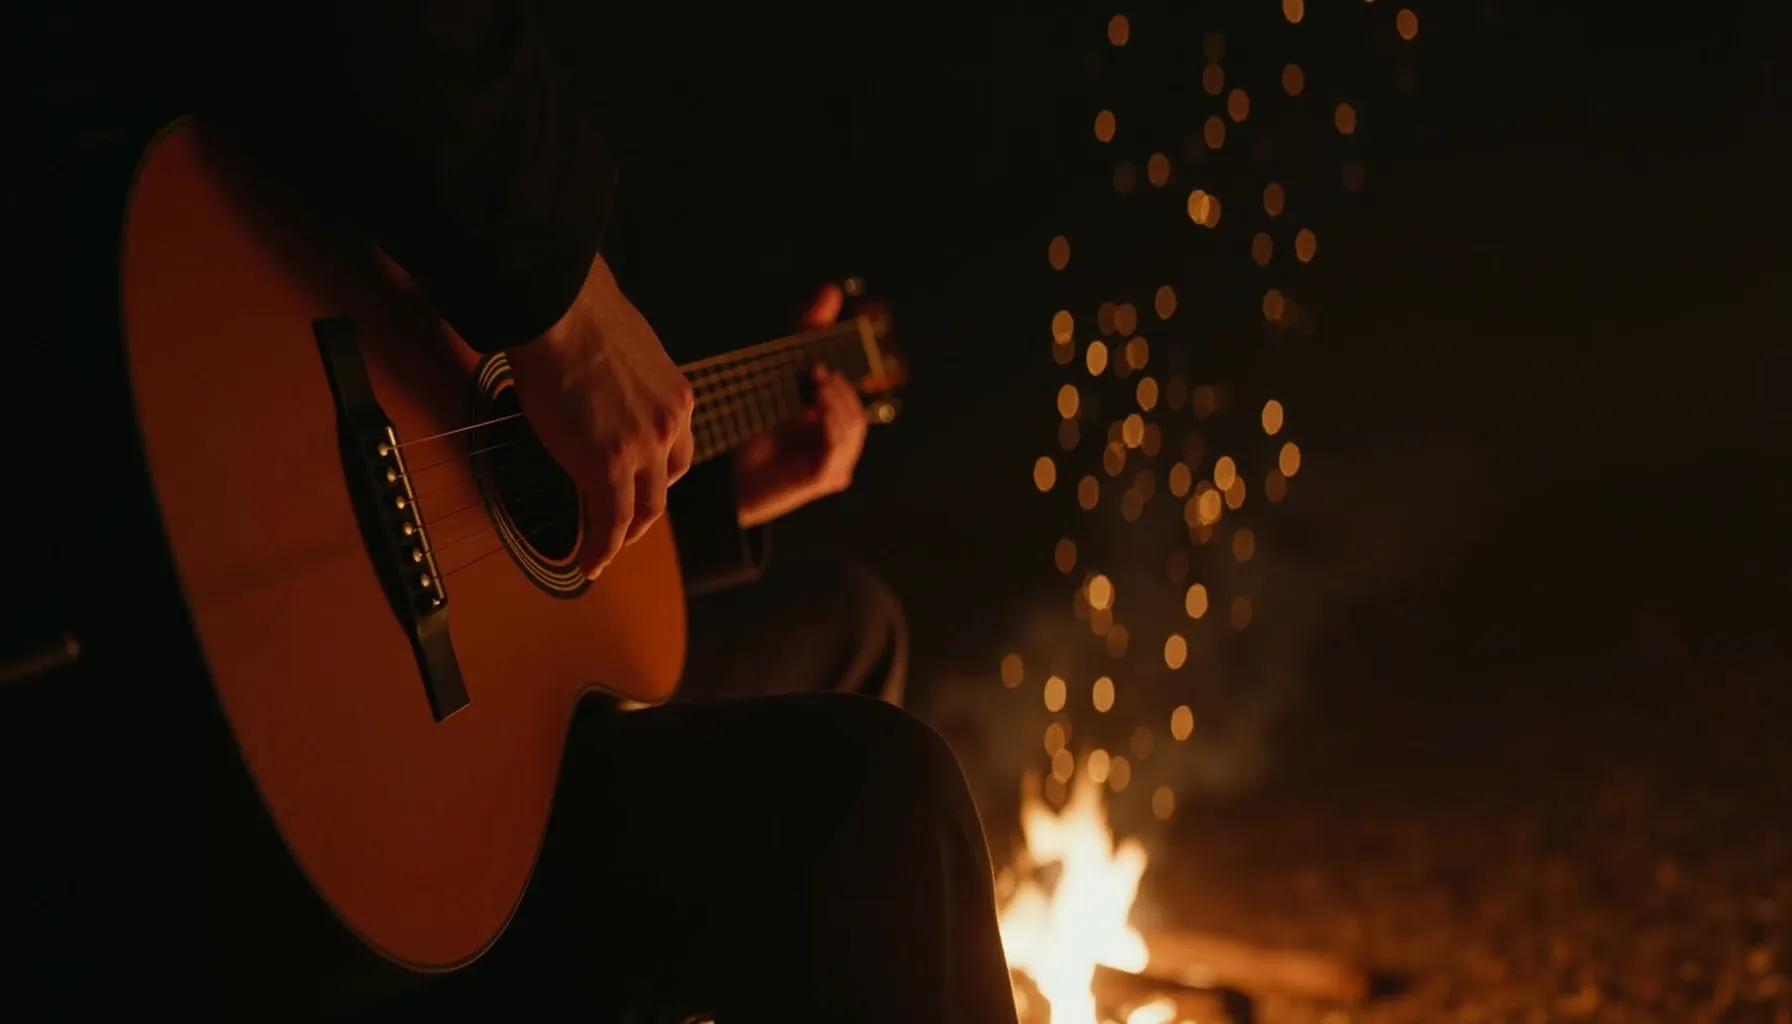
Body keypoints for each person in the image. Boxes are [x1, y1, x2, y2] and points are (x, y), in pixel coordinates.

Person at [141, 1, 1006, 1021]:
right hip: (297, 646)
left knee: (856, 627)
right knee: (891, 798)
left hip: (441, 626)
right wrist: (561, 305)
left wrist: (711, 494)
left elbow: (486, 481)